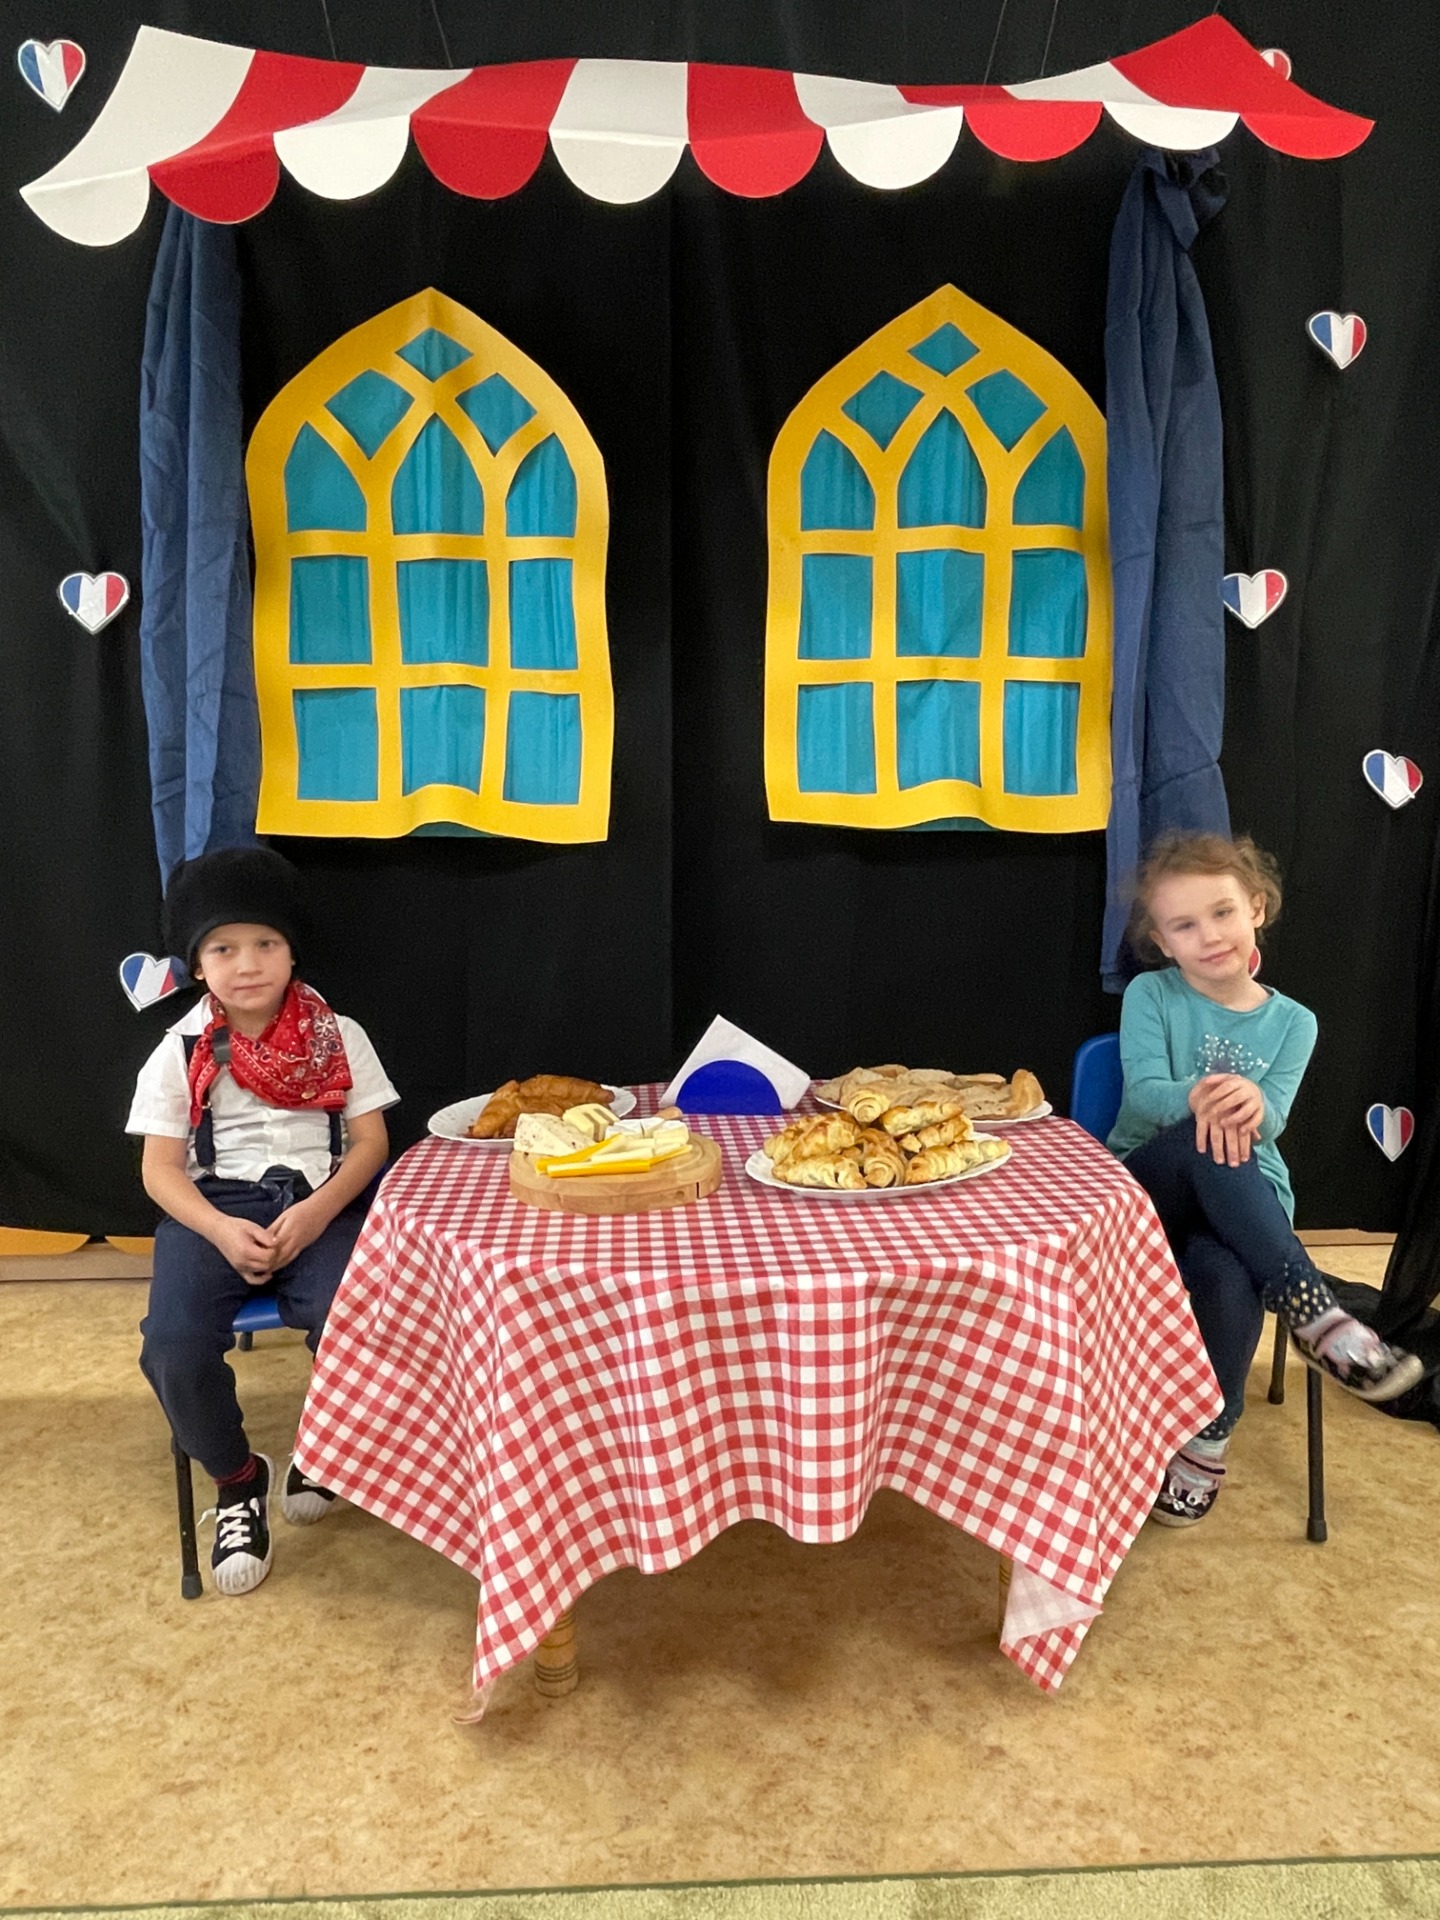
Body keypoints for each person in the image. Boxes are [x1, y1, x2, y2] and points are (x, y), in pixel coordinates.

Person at [1108, 829, 1422, 1527]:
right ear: (1162, 942)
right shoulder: (1151, 995)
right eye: (1184, 925)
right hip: (1149, 1192)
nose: (1209, 935)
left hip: (1246, 1201)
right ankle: (1314, 1311)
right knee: (1204, 1135)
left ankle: (1208, 1438)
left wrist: (1253, 1103)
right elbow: (1144, 1098)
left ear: (1256, 906)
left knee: (1230, 1272)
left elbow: (1272, 1118)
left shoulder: (1294, 1023)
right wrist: (1207, 1098)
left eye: (1222, 912)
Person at [127, 847, 398, 1594]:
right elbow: (159, 1170)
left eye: (265, 943)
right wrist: (218, 1229)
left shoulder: (339, 1033)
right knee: (174, 1347)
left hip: (319, 1203)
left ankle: (325, 1447)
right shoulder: (178, 1050)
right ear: (197, 963)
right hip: (212, 1212)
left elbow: (370, 1143)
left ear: (291, 951)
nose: (247, 964)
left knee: (358, 1317)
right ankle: (237, 1478)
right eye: (223, 948)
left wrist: (315, 1214)